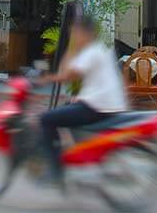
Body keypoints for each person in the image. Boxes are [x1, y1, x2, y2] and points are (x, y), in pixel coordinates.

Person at [32, 12, 128, 185]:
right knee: (64, 108)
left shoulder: (91, 52)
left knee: (46, 119)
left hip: (97, 107)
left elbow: (66, 75)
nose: (74, 35)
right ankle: (75, 157)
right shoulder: (99, 49)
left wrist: (44, 78)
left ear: (86, 33)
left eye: (76, 32)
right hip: (102, 103)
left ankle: (55, 171)